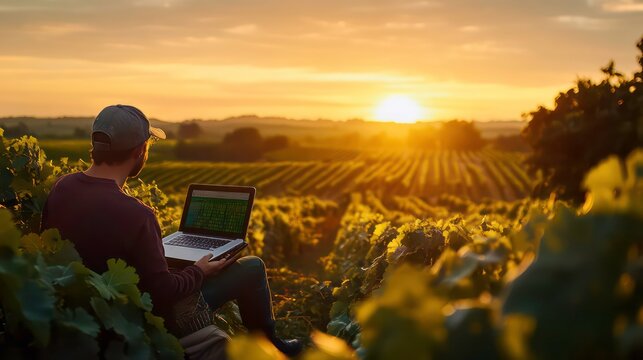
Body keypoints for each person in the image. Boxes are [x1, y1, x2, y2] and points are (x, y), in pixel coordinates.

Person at [40, 104, 303, 357]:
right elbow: (163, 292)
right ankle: (273, 348)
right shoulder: (137, 214)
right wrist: (199, 271)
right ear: (139, 151)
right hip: (142, 316)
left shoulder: (63, 188)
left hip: (90, 308)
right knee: (252, 267)